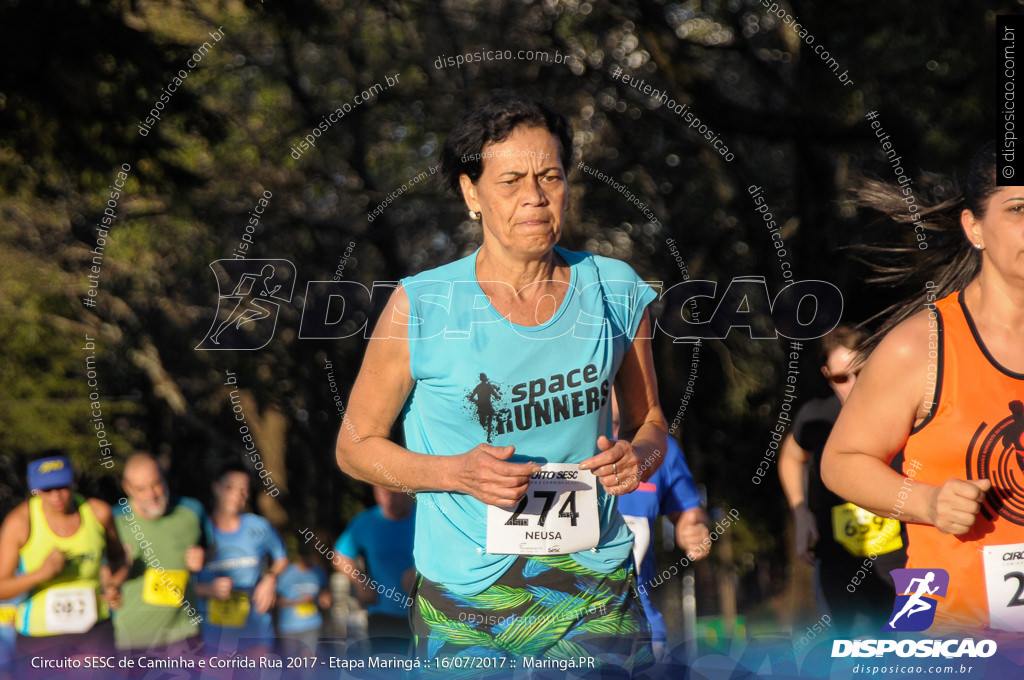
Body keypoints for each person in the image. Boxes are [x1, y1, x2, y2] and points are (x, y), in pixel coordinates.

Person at [335, 94, 667, 672]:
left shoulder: (614, 288)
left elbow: (651, 423)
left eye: (550, 176)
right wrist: (454, 473)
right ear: (472, 193)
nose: (534, 197)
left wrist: (636, 457)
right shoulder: (420, 305)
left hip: (593, 588)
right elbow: (354, 446)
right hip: (466, 601)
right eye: (511, 179)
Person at [822, 142, 1024, 634]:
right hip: (955, 635)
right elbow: (841, 463)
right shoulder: (921, 346)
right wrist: (928, 503)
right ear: (973, 227)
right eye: (1018, 209)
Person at [778, 326, 906, 636]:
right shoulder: (816, 416)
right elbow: (791, 457)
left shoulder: (906, 409)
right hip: (839, 566)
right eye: (840, 378)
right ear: (826, 374)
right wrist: (800, 509)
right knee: (853, 656)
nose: (853, 384)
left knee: (911, 657)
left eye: (861, 372)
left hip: (907, 564)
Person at [0, 453, 124, 662]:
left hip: (94, 632)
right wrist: (41, 574)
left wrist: (114, 584)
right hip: (40, 639)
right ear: (34, 488)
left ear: (73, 482)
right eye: (47, 489)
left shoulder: (98, 512)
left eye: (62, 487)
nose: (57, 495)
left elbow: (119, 558)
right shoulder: (20, 522)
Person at [615, 389, 710, 662]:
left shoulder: (659, 448)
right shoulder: (555, 444)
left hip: (638, 625)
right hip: (552, 623)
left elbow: (690, 514)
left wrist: (695, 530)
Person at [109, 453, 206, 657]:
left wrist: (203, 558)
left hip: (184, 635)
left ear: (164, 478)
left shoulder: (191, 511)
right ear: (127, 488)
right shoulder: (113, 521)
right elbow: (100, 577)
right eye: (141, 489)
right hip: (134, 641)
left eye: (156, 484)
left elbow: (212, 550)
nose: (151, 495)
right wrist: (117, 574)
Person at [195, 462, 288, 655]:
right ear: (216, 488)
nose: (238, 495)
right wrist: (208, 589)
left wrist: (271, 579)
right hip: (214, 637)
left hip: (256, 632)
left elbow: (282, 558)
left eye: (243, 490)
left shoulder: (259, 526)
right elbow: (176, 585)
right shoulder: (198, 530)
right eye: (230, 488)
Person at [333, 486, 415, 655]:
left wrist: (420, 572)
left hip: (424, 614)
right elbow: (340, 557)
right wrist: (361, 582)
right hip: (383, 614)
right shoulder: (366, 522)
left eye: (395, 490)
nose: (390, 496)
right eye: (383, 491)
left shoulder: (426, 520)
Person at [275, 543, 330, 657]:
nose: (308, 559)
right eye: (304, 556)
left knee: (309, 661)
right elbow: (275, 600)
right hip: (289, 627)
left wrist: (324, 598)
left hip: (312, 624)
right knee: (293, 665)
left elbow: (325, 590)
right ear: (298, 556)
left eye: (310, 556)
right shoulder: (286, 573)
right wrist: (297, 601)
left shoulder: (319, 572)